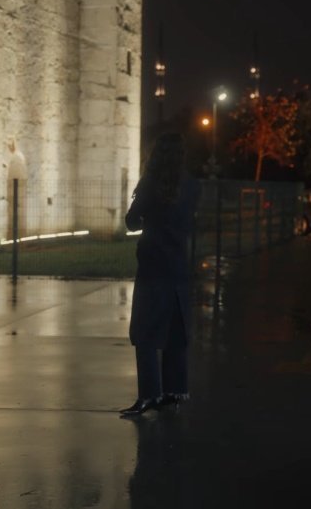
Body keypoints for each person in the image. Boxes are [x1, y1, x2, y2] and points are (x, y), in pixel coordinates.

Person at [120, 133, 201, 418]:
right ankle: (174, 390)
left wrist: (146, 217)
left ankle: (149, 394)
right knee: (175, 331)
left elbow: (131, 222)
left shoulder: (150, 183)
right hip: (178, 266)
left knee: (144, 332)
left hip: (153, 266)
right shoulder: (192, 185)